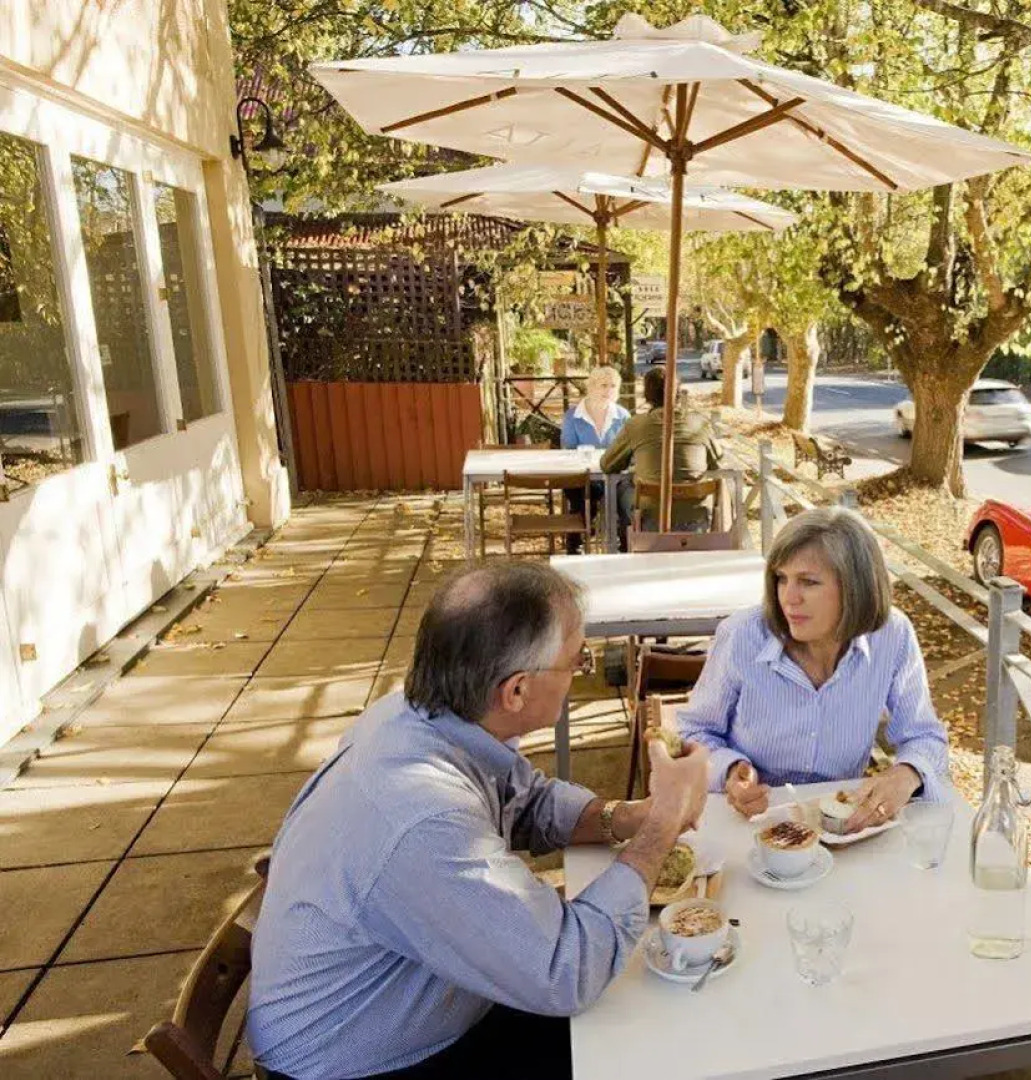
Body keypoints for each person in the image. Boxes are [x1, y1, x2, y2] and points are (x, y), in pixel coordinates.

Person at [248, 562, 709, 1080]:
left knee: (639, 1009)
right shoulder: (424, 818)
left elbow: (527, 800)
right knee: (641, 1038)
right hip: (360, 1063)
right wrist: (661, 827)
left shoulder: (415, 714)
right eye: (577, 661)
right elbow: (568, 970)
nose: (584, 670)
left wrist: (625, 817)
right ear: (516, 692)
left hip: (414, 1002)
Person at [676, 506, 951, 832]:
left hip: (842, 829)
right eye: (781, 579)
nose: (788, 598)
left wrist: (907, 773)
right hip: (747, 824)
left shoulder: (893, 636)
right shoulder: (741, 636)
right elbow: (692, 733)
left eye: (808, 582)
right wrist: (730, 768)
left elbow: (926, 737)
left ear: (856, 588)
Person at [599, 367, 722, 533]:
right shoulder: (699, 423)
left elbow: (607, 465)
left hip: (650, 517)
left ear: (647, 395)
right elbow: (717, 463)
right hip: (696, 515)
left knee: (621, 487)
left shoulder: (636, 425)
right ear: (678, 393)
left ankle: (626, 544)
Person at [560, 366, 630, 553]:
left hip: (615, 476)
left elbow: (628, 450)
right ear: (591, 387)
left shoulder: (623, 416)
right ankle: (575, 547)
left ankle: (626, 547)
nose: (608, 391)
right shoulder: (572, 416)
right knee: (580, 496)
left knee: (628, 498)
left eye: (613, 386)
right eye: (603, 385)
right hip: (582, 475)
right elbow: (569, 450)